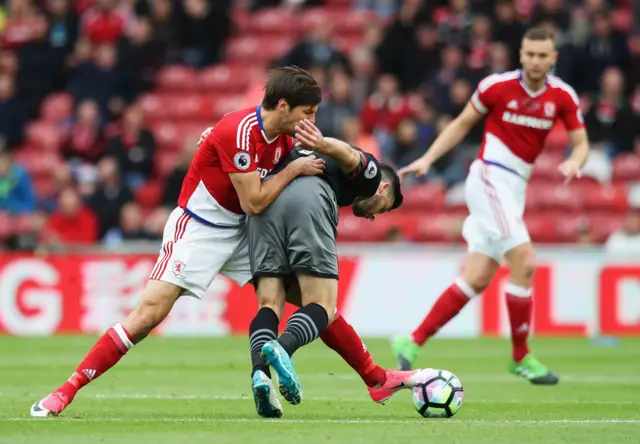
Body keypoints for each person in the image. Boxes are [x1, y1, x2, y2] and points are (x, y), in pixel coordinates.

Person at [30, 66, 325, 417]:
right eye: (307, 113)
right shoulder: (240, 130)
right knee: (147, 316)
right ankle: (66, 390)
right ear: (282, 106)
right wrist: (291, 170)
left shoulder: (287, 139)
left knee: (308, 296)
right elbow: (256, 200)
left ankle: (369, 376)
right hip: (200, 228)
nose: (311, 121)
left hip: (245, 230)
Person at [393, 27, 590, 385]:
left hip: (515, 187)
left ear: (553, 58)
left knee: (478, 276)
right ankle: (521, 356)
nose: (535, 60)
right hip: (489, 177)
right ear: (520, 53)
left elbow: (581, 143)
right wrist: (428, 158)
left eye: (542, 55)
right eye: (529, 53)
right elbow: (461, 124)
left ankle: (412, 339)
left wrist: (576, 160)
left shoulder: (562, 96)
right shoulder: (495, 87)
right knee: (525, 262)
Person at [246, 119, 417, 418]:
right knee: (322, 305)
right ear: (384, 189)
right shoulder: (371, 177)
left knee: (270, 303)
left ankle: (260, 375)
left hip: (265, 199)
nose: (376, 217)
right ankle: (282, 348)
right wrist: (324, 143)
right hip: (309, 197)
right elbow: (352, 155)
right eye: (384, 207)